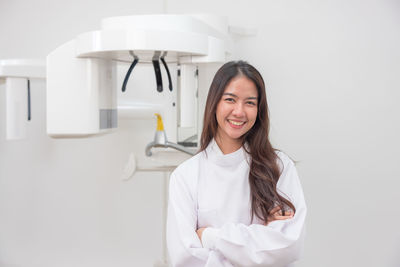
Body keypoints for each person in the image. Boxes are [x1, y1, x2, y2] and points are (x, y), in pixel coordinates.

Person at [166, 61, 307, 267]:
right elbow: (186, 259)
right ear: (215, 103)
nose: (239, 112)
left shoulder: (279, 168)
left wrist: (210, 237)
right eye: (230, 99)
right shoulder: (185, 176)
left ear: (259, 109)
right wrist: (259, 240)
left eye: (250, 102)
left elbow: (287, 246)